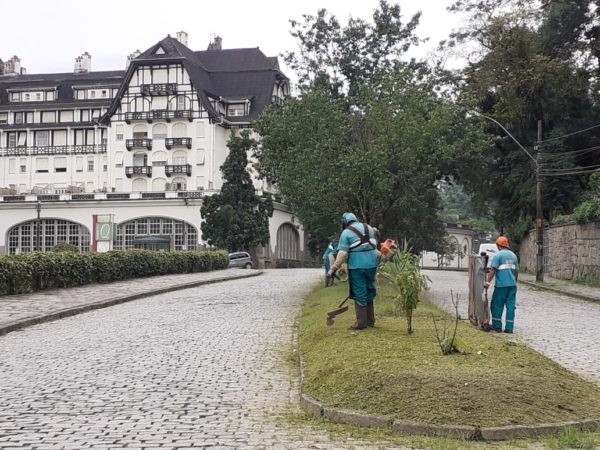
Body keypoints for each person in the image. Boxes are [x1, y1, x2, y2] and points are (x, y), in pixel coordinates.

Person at [329, 212, 378, 329]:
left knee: (360, 291)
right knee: (369, 289)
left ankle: (361, 323)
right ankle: (370, 321)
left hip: (357, 266)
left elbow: (342, 253)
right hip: (372, 264)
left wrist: (334, 268)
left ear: (345, 222)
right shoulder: (368, 228)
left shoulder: (346, 232)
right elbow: (374, 245)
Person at [483, 236, 519, 333]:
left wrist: (487, 282)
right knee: (510, 306)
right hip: (512, 286)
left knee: (497, 305)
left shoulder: (498, 255)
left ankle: (497, 326)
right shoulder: (514, 256)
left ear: (498, 245)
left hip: (501, 286)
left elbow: (493, 270)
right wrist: (514, 282)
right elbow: (516, 271)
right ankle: (509, 328)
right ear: (507, 245)